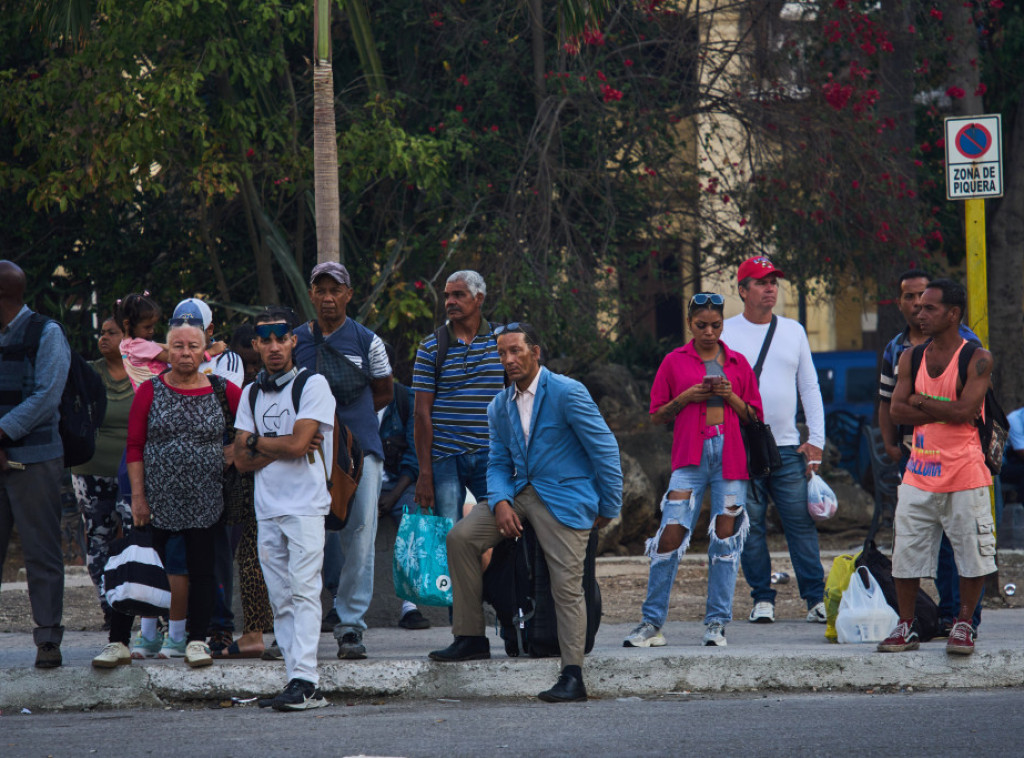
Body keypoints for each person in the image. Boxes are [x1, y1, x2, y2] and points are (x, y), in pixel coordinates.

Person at [430, 323, 622, 703]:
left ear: (536, 352)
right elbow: (498, 463)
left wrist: (608, 507)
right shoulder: (499, 405)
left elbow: (605, 450)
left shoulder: (568, 393)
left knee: (566, 584)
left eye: (516, 351)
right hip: (521, 493)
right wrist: (500, 502)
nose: (509, 360)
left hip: (566, 497)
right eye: (502, 353)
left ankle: (572, 674)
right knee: (460, 538)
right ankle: (469, 637)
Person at [92, 318, 241, 669]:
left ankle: (196, 642)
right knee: (137, 566)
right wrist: (138, 497)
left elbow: (252, 427)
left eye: (192, 346)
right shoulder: (151, 390)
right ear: (168, 350)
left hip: (206, 498)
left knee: (203, 571)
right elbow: (134, 446)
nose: (185, 353)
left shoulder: (223, 390)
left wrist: (230, 453)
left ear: (204, 351)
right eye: (178, 346)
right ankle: (118, 642)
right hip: (155, 499)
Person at [624, 293, 763, 649]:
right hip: (690, 458)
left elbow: (754, 418)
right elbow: (656, 415)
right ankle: (651, 623)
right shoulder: (674, 362)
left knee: (726, 541)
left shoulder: (737, 362)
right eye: (701, 325)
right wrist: (688, 396)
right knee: (669, 535)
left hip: (730, 458)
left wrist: (730, 396)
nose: (709, 332)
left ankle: (717, 623)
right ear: (690, 325)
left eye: (716, 325)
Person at [878, 279, 996, 656]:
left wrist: (920, 399)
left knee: (971, 552)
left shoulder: (977, 358)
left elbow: (965, 412)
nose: (920, 312)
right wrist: (935, 405)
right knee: (906, 553)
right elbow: (897, 410)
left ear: (953, 314)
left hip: (965, 472)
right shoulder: (909, 357)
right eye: (918, 306)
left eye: (930, 307)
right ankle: (907, 624)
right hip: (919, 472)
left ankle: (964, 623)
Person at [234, 308, 336, 711]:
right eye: (266, 339)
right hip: (268, 508)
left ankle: (306, 679)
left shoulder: (313, 385)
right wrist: (274, 445)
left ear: (294, 340)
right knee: (281, 597)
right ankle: (297, 679)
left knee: (305, 590)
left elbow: (295, 447)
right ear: (256, 344)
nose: (274, 346)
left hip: (306, 506)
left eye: (282, 337)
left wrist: (258, 442)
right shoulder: (251, 393)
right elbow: (242, 461)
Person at [293, 261, 393, 660]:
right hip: (307, 449)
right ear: (312, 294)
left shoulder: (368, 341)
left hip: (360, 450)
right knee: (302, 537)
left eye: (337, 290)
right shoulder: (294, 340)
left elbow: (383, 392)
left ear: (350, 295)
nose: (329, 297)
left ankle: (350, 627)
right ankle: (297, 628)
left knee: (361, 535)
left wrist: (347, 427)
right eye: (321, 289)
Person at [721, 256, 828, 624]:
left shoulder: (794, 331)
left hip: (786, 446)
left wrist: (816, 440)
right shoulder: (724, 333)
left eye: (773, 282)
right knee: (748, 527)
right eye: (761, 282)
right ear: (742, 290)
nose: (770, 288)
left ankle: (815, 599)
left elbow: (809, 386)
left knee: (800, 523)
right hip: (741, 446)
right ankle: (762, 598)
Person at [0, 260, 72, 669]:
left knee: (41, 553)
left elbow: (47, 397)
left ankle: (48, 639)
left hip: (36, 459)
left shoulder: (46, 332)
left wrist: (3, 432)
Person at [170, 298, 250, 656]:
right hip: (178, 479)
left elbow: (239, 417)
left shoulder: (226, 367)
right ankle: (181, 631)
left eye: (196, 330)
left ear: (209, 332)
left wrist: (230, 454)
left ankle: (220, 628)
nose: (188, 342)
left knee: (217, 555)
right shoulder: (163, 376)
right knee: (179, 555)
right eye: (179, 328)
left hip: (217, 479)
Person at [411, 271, 504, 522]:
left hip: (493, 454)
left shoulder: (502, 340)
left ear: (479, 298)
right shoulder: (431, 346)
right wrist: (425, 472)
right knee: (448, 533)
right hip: (445, 457)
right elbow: (421, 413)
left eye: (458, 295)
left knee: (500, 528)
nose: (450, 301)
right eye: (447, 296)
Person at [70, 316, 133, 627]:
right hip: (91, 469)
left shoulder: (142, 370)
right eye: (102, 333)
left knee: (136, 535)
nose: (103, 338)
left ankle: (143, 603)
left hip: (134, 470)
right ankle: (109, 607)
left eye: (112, 333)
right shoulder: (89, 371)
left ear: (128, 336)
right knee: (98, 537)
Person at [378, 345, 429, 630]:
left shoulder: (406, 399)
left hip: (398, 485)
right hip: (361, 486)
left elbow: (414, 455)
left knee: (414, 515)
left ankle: (410, 605)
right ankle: (338, 603)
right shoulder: (352, 403)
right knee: (334, 522)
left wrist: (393, 495)